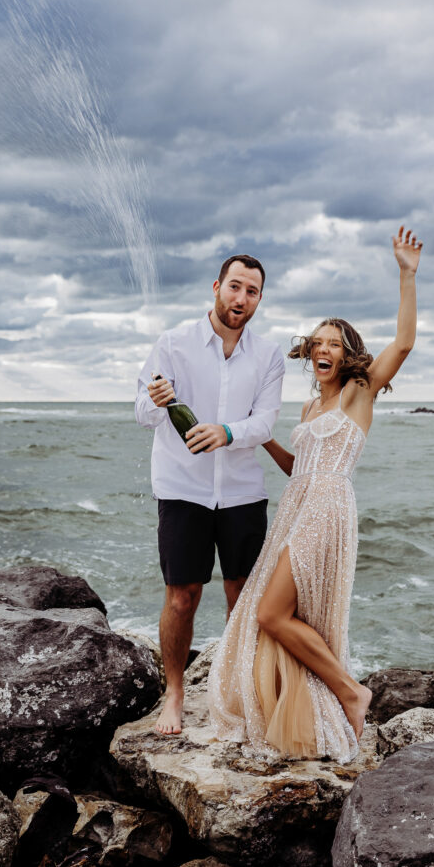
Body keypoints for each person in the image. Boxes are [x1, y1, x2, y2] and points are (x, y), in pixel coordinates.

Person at [208, 226, 423, 762]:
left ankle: (352, 691)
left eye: (335, 344)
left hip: (328, 510)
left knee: (270, 614)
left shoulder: (358, 392)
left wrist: (406, 273)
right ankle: (328, 694)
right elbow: (299, 468)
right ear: (311, 354)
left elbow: (404, 342)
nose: (325, 349)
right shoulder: (308, 410)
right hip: (298, 507)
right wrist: (257, 435)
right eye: (319, 343)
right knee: (271, 613)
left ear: (347, 354)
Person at [135, 255, 285, 735]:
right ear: (217, 286)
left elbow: (264, 422)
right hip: (182, 489)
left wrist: (226, 432)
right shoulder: (172, 344)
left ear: (260, 299)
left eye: (252, 292)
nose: (241, 299)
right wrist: (157, 403)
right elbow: (142, 410)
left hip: (242, 492)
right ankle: (174, 694)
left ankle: (237, 691)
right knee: (182, 597)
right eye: (235, 287)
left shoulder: (268, 355)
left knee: (242, 598)